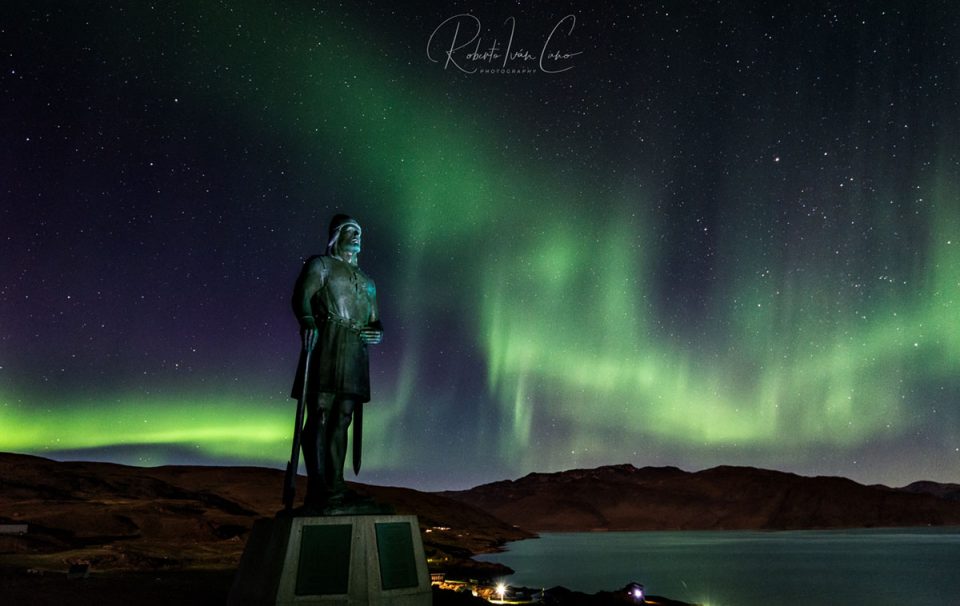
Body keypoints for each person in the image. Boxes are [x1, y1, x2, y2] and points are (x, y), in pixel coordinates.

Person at [290, 214, 383, 510]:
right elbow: (301, 296)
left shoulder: (368, 282)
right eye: (350, 231)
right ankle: (319, 488)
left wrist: (376, 333)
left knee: (343, 417)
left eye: (359, 232)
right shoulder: (320, 265)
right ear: (336, 235)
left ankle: (337, 485)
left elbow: (374, 319)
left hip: (356, 349)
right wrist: (306, 319)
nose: (356, 237)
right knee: (319, 412)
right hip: (327, 340)